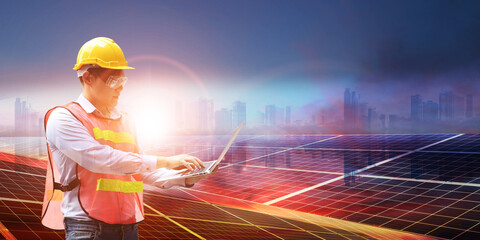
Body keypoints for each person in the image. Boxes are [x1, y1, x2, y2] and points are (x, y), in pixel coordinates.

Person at [41, 37, 208, 240]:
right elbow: (99, 159)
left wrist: (185, 177)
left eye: (123, 80)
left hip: (129, 229)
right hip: (88, 229)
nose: (120, 87)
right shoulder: (64, 118)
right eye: (114, 80)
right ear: (88, 78)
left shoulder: (126, 120)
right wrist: (167, 160)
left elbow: (141, 169)